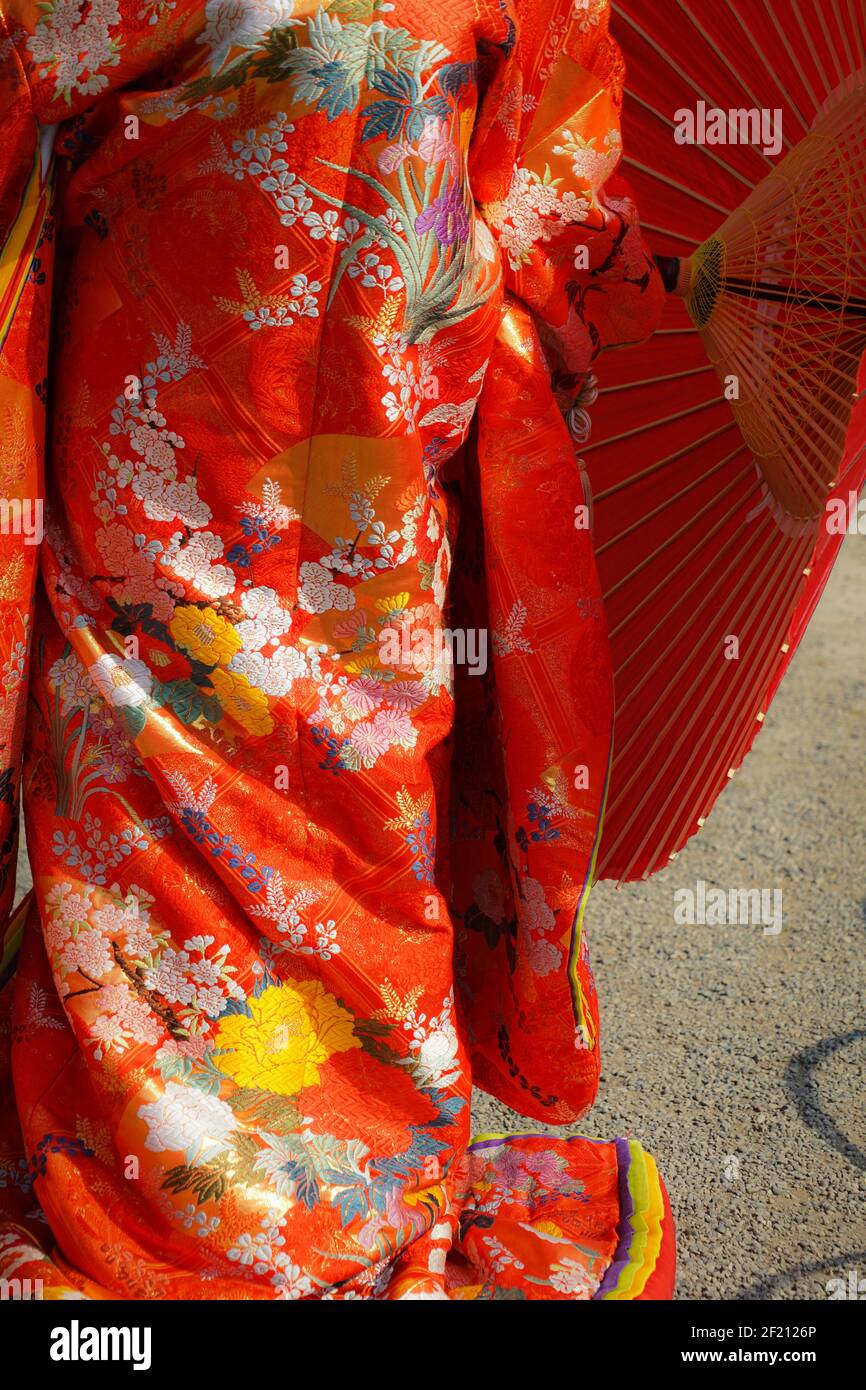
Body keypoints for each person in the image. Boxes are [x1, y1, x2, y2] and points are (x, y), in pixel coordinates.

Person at [0, 0, 675, 1298]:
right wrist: (600, 278)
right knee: (357, 740)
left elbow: (32, 48)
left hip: (182, 352)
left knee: (154, 726)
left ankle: (170, 1184)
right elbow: (559, 177)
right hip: (386, 368)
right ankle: (362, 1168)